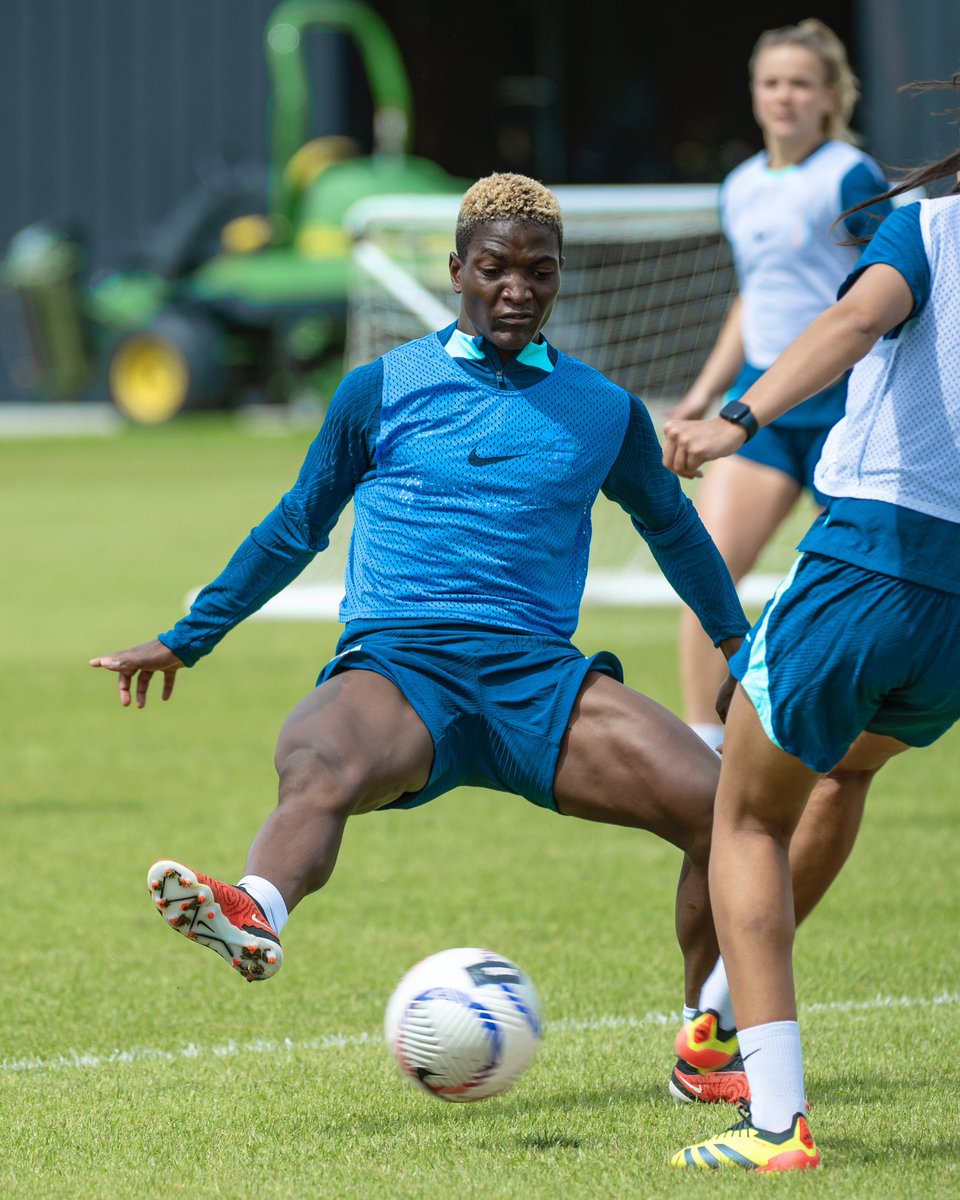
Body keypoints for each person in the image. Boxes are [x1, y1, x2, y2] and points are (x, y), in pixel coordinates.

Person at [91, 173, 752, 1013]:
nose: (517, 291)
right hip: (400, 668)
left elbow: (676, 531)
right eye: (494, 268)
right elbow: (297, 526)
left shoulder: (604, 410)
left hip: (538, 682)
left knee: (725, 812)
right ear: (455, 269)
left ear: (559, 275)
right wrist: (187, 638)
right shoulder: (378, 388)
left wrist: (740, 645)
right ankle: (256, 909)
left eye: (539, 272)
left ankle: (710, 1036)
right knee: (316, 757)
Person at [662, 80, 960, 1171]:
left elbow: (849, 320)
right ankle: (722, 1017)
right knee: (844, 776)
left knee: (744, 818)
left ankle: (773, 1118)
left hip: (873, 560)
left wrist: (740, 415)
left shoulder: (927, 222)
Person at [671, 19, 891, 755]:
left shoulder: (849, 176)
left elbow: (889, 293)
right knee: (705, 572)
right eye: (772, 82)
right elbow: (752, 298)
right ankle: (703, 751)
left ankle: (849, 741)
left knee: (878, 585)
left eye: (801, 83)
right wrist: (705, 392)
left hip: (848, 412)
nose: (785, 97)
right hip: (756, 411)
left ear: (831, 95)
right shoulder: (738, 186)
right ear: (755, 93)